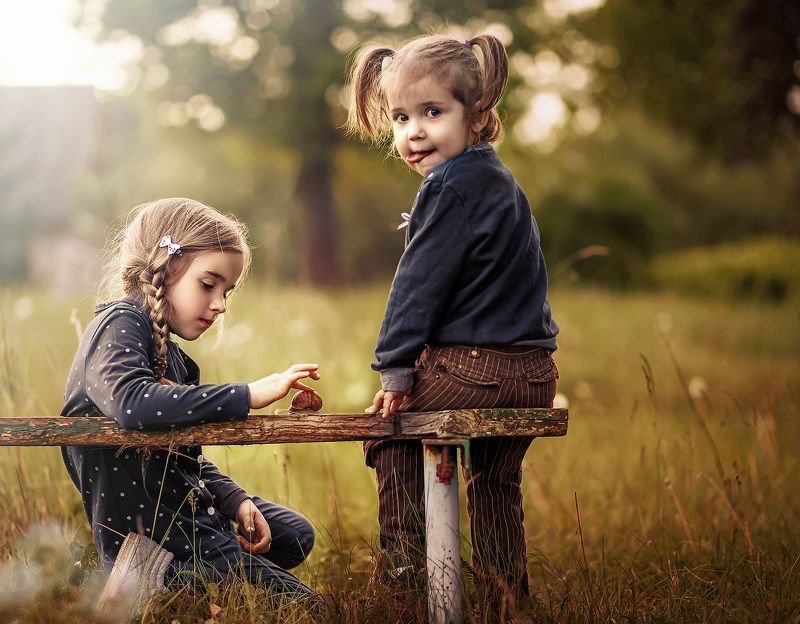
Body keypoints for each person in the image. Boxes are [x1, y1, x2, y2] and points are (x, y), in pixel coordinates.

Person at [345, 33, 560, 603]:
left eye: (433, 112)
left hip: (477, 371)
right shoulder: (498, 181)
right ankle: (505, 599)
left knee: (390, 433)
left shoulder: (448, 187)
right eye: (400, 118)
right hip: (534, 373)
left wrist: (395, 372)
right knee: (494, 482)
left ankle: (405, 583)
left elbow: (415, 290)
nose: (413, 132)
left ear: (477, 114)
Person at [61, 198, 320, 603]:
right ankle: (154, 577)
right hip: (158, 531)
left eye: (227, 291)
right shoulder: (119, 324)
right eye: (208, 284)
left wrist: (234, 500)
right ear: (165, 270)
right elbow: (131, 403)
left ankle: (193, 579)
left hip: (189, 510)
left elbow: (184, 457)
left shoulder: (176, 358)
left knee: (296, 535)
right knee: (309, 606)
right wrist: (247, 394)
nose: (220, 305)